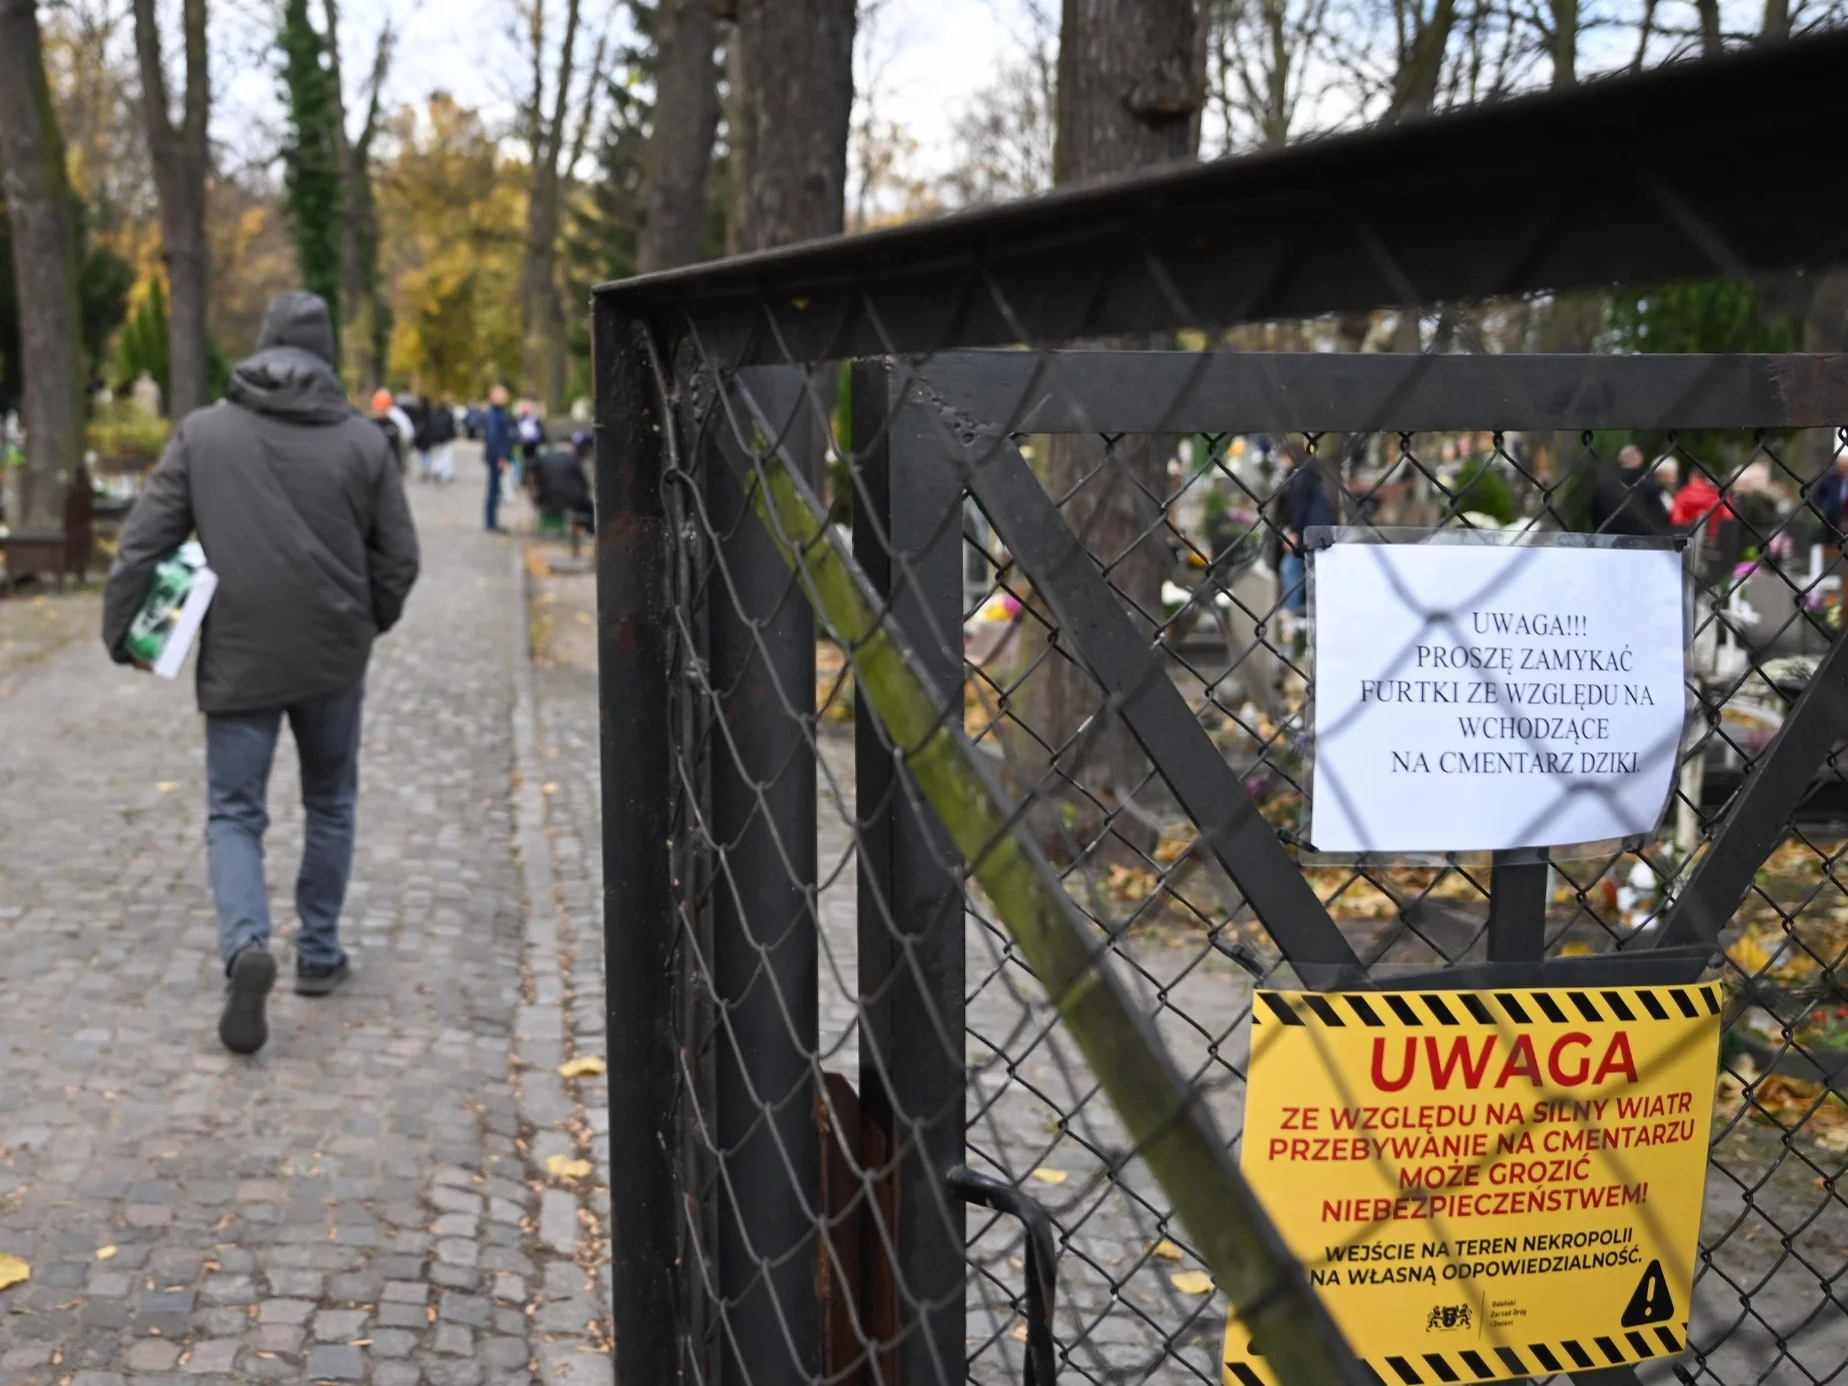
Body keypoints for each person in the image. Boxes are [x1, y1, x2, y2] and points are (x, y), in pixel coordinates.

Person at [101, 291, 420, 1055]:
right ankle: (318, 953)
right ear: (327, 354)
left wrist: (125, 633)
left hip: (241, 652)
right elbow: (400, 559)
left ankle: (246, 944)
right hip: (333, 658)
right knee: (331, 802)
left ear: (261, 347)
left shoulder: (204, 435)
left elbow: (143, 542)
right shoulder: (363, 443)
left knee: (235, 812)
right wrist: (364, 619)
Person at [1277, 442, 1337, 616]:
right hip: (1318, 529)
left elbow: (1299, 506)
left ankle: (1291, 610)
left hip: (1307, 531)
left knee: (1291, 569)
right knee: (1310, 569)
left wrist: (1294, 532)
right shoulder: (1310, 474)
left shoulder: (1299, 476)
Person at [1588, 443, 1671, 537]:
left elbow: (1594, 514)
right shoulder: (1648, 484)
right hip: (1644, 540)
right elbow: (1661, 516)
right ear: (1640, 459)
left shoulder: (1606, 485)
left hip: (1610, 539)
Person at [481, 384, 516, 532]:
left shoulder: (498, 413)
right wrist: (501, 457)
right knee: (494, 490)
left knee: (495, 489)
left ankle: (492, 521)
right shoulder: (494, 414)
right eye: (502, 394)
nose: (505, 397)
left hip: (497, 456)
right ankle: (491, 522)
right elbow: (494, 437)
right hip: (496, 457)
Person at [370, 389, 414, 473]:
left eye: (383, 408)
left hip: (389, 468)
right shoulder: (370, 426)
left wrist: (400, 466)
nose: (380, 411)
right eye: (379, 408)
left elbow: (398, 449)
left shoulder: (393, 426)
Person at [423, 392, 458, 484]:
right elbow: (451, 427)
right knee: (446, 456)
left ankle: (437, 470)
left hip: (435, 438)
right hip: (446, 438)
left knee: (437, 456)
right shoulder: (449, 413)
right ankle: (446, 474)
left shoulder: (435, 412)